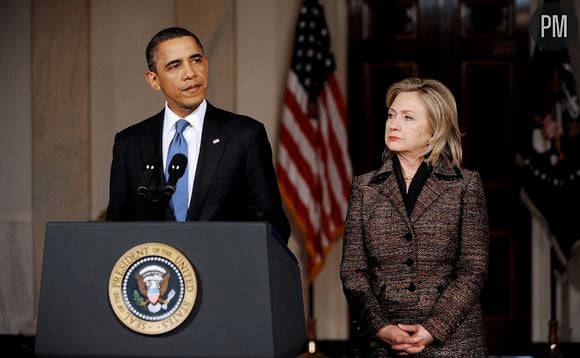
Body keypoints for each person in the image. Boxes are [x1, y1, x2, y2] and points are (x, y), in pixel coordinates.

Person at [340, 77, 489, 356]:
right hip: (382, 345)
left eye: (408, 117)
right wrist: (380, 328)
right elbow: (352, 272)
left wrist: (434, 329)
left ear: (434, 130)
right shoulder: (365, 187)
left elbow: (473, 268)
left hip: (452, 343)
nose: (393, 124)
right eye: (391, 115)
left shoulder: (464, 185)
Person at [105, 26, 291, 244]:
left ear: (206, 64)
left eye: (196, 60)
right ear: (154, 80)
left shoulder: (245, 135)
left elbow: (273, 227)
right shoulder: (129, 143)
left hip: (224, 273)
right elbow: (116, 231)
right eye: (175, 66)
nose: (190, 73)